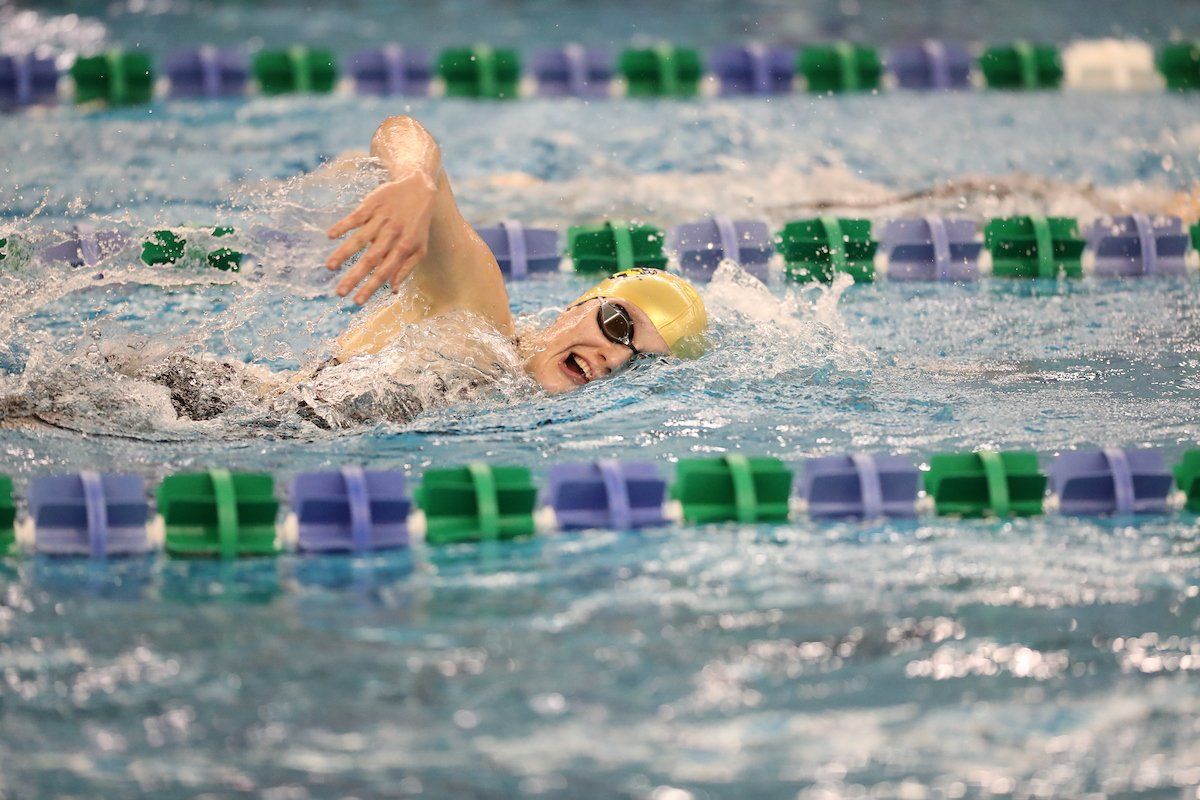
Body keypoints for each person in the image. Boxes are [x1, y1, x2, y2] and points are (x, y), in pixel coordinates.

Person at [324, 115, 708, 393]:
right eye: (619, 325)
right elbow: (402, 130)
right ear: (580, 305)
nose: (616, 358)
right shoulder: (476, 316)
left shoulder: (517, 399)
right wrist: (415, 177)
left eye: (641, 362)